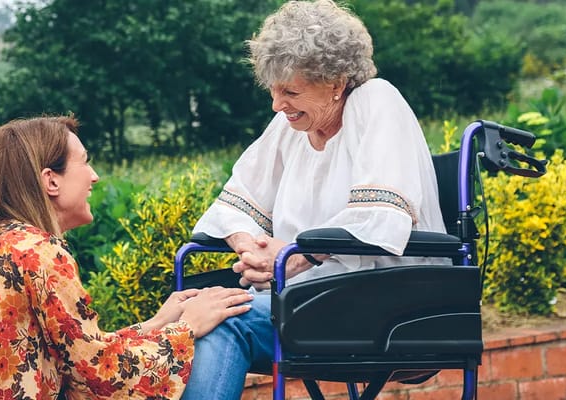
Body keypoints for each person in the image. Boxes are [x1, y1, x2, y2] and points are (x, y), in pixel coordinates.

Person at [0, 116, 255, 400]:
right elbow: (100, 376)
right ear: (50, 180)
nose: (95, 176)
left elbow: (76, 357)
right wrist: (187, 329)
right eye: (85, 161)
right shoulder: (36, 251)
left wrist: (157, 322)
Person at [179, 1, 448, 399]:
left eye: (290, 91)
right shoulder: (291, 125)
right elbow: (238, 202)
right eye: (273, 90)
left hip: (387, 303)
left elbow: (380, 217)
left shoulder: (377, 101)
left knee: (221, 319)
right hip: (306, 299)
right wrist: (250, 248)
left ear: (337, 82)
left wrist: (293, 255)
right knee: (203, 308)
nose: (277, 104)